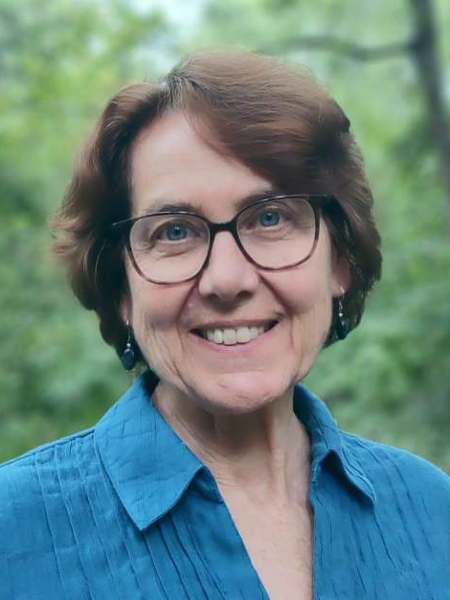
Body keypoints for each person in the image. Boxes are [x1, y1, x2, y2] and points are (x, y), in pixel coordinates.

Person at [0, 50, 448, 600]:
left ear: (338, 260)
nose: (226, 279)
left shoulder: (431, 511)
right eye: (173, 232)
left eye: (271, 217)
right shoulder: (14, 532)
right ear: (121, 289)